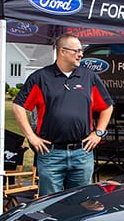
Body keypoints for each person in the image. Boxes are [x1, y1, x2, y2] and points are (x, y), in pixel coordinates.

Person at [12, 34, 114, 196]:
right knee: (50, 204)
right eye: (76, 51)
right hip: (50, 154)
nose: (81, 54)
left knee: (81, 203)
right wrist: (31, 136)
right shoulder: (41, 78)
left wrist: (99, 133)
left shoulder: (89, 77)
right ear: (62, 52)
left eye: (81, 51)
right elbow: (18, 106)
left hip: (82, 154)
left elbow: (107, 107)